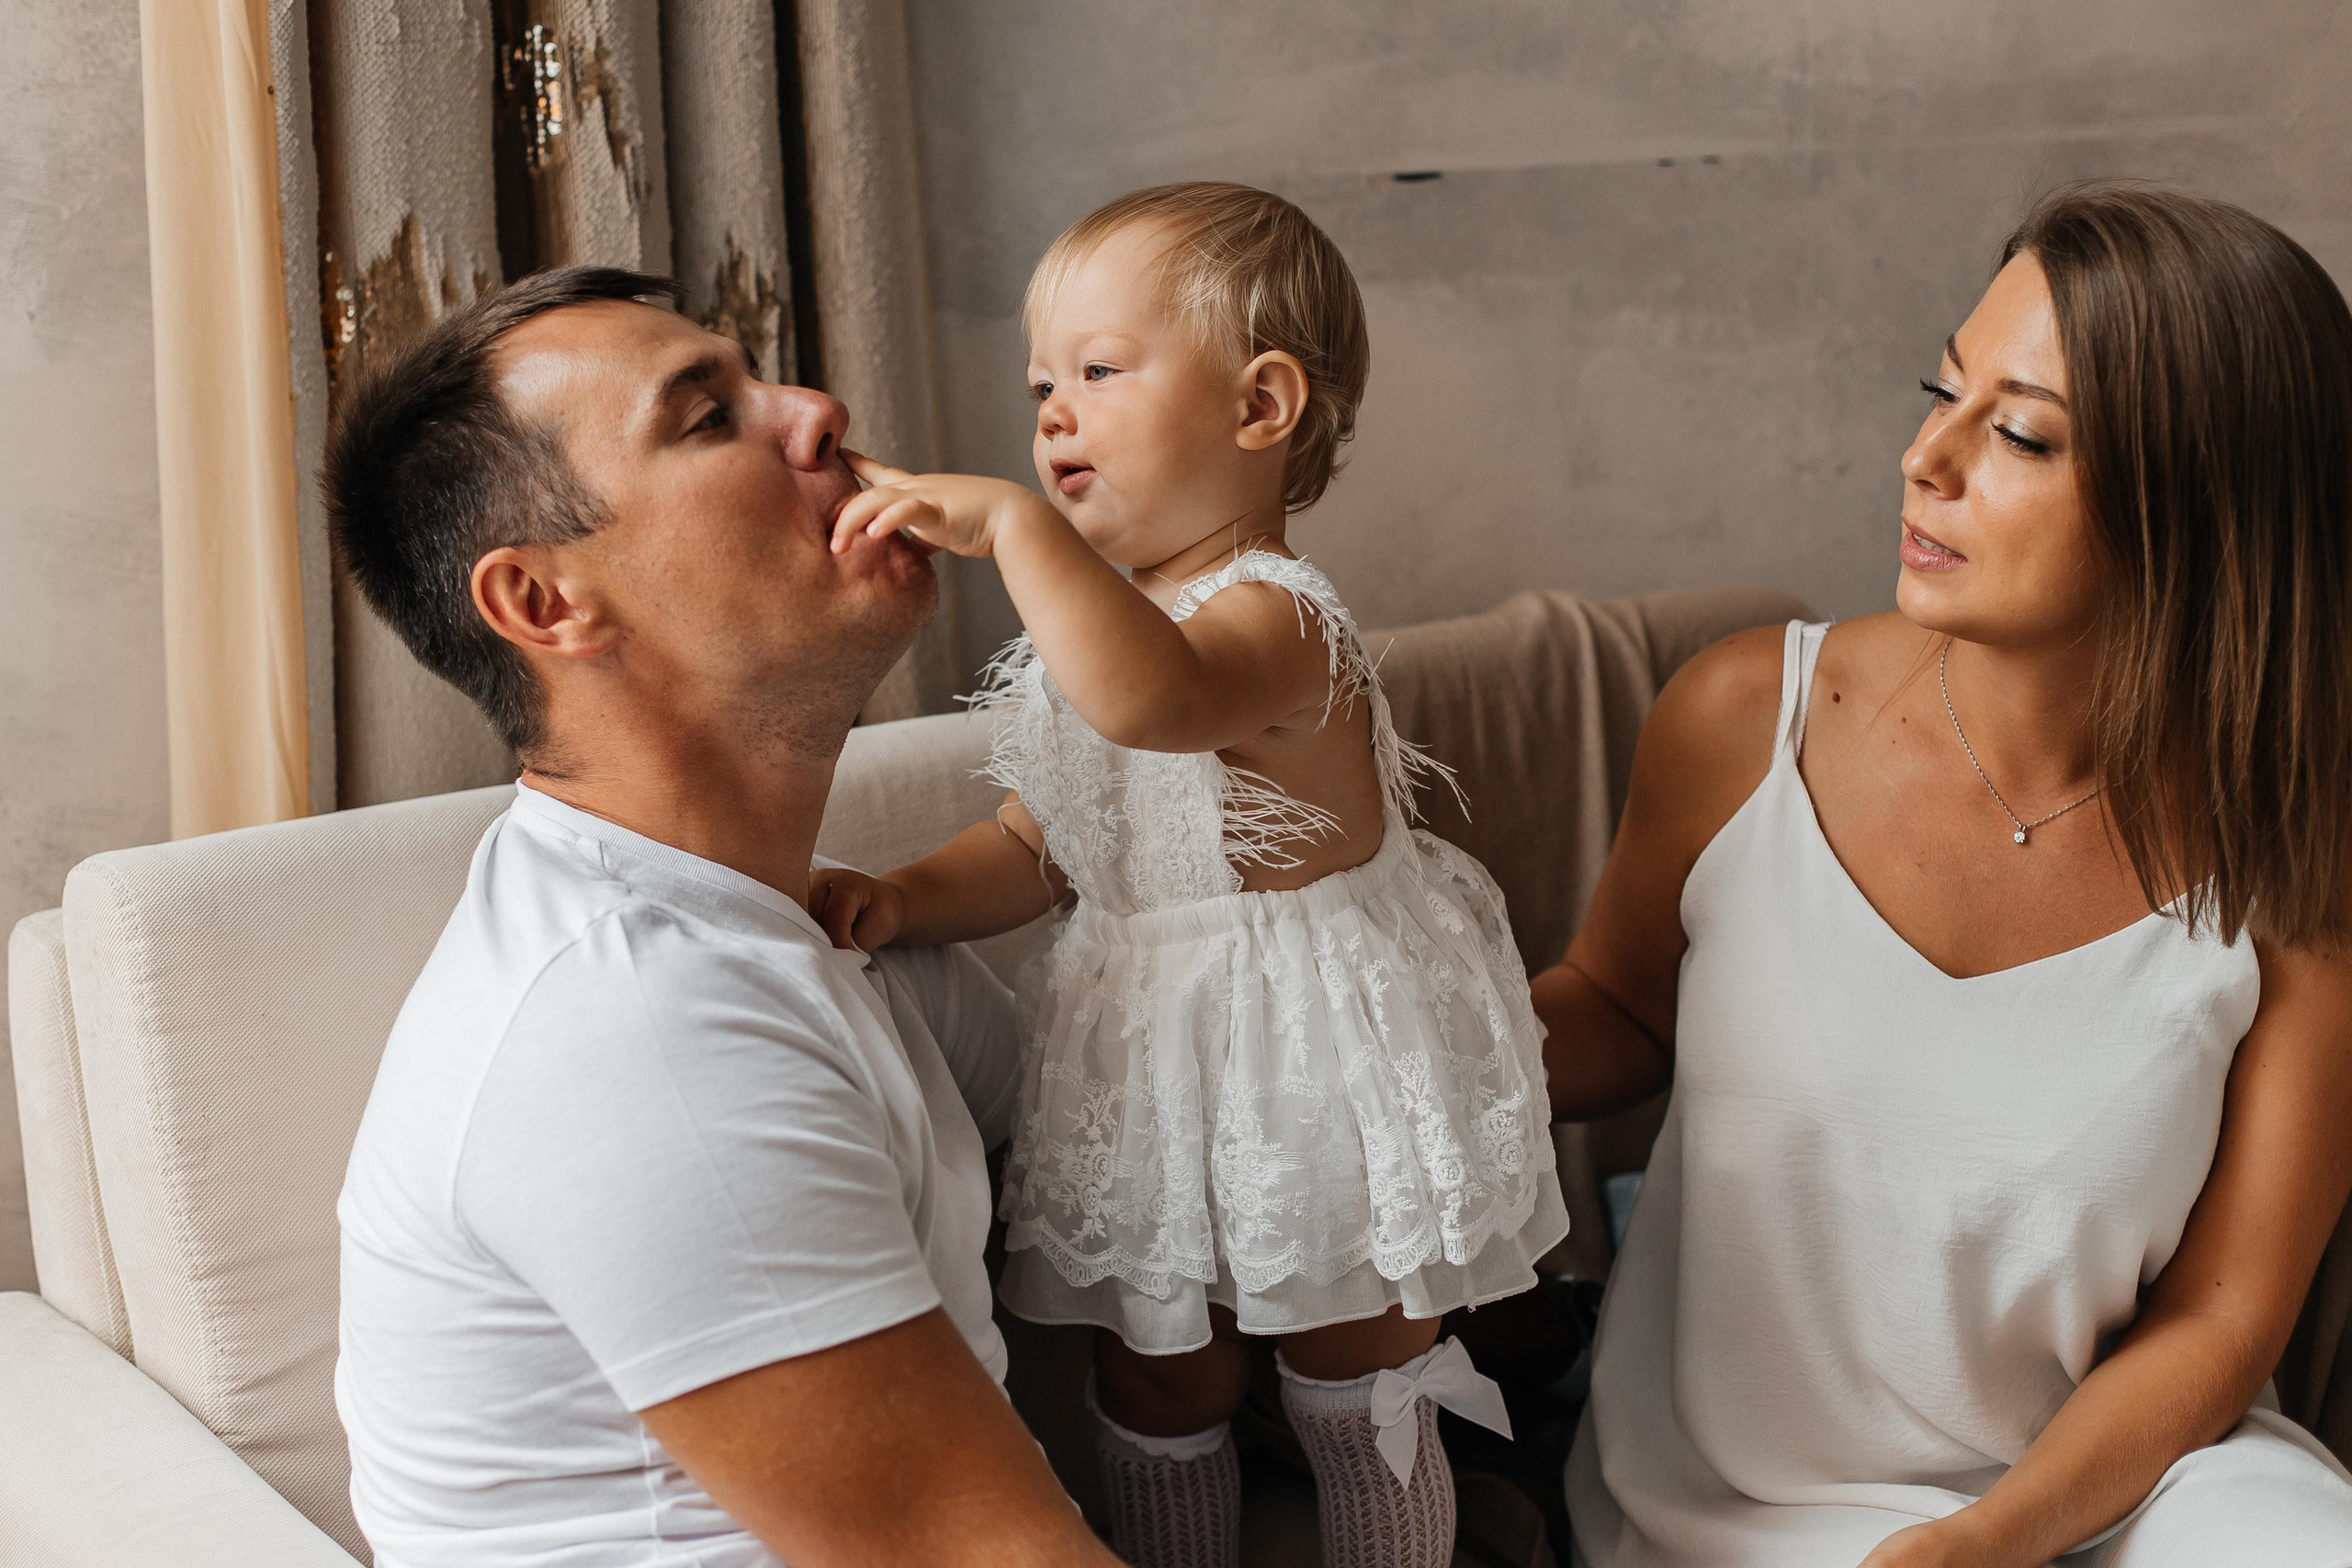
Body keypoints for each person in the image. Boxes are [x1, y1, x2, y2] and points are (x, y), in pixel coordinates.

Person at [1543, 181, 2352, 1566]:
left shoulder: (2298, 857)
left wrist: (1985, 1543)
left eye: (2021, 434)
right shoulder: (1746, 722)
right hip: (1742, 1511)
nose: (1927, 456)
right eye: (1943, 391)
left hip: (2124, 1493)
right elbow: (1616, 1012)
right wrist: (1383, 1040)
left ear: (2203, 507)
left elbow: (2224, 1320)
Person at [805, 182, 1566, 1568]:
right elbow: (1041, 843)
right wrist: (904, 896)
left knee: (1352, 1376)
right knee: (1158, 1381)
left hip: (1307, 1061)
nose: (1054, 413)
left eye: (1099, 371)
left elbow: (1153, 701)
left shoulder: (1276, 617)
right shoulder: (1100, 631)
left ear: (1260, 406)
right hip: (1153, 1063)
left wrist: (1016, 533)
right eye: (1041, 383)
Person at [324, 266, 1119, 1568]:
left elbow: (1125, 1156)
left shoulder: (799, 918)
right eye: (708, 416)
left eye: (762, 379)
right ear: (546, 603)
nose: (818, 410)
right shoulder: (634, 1032)